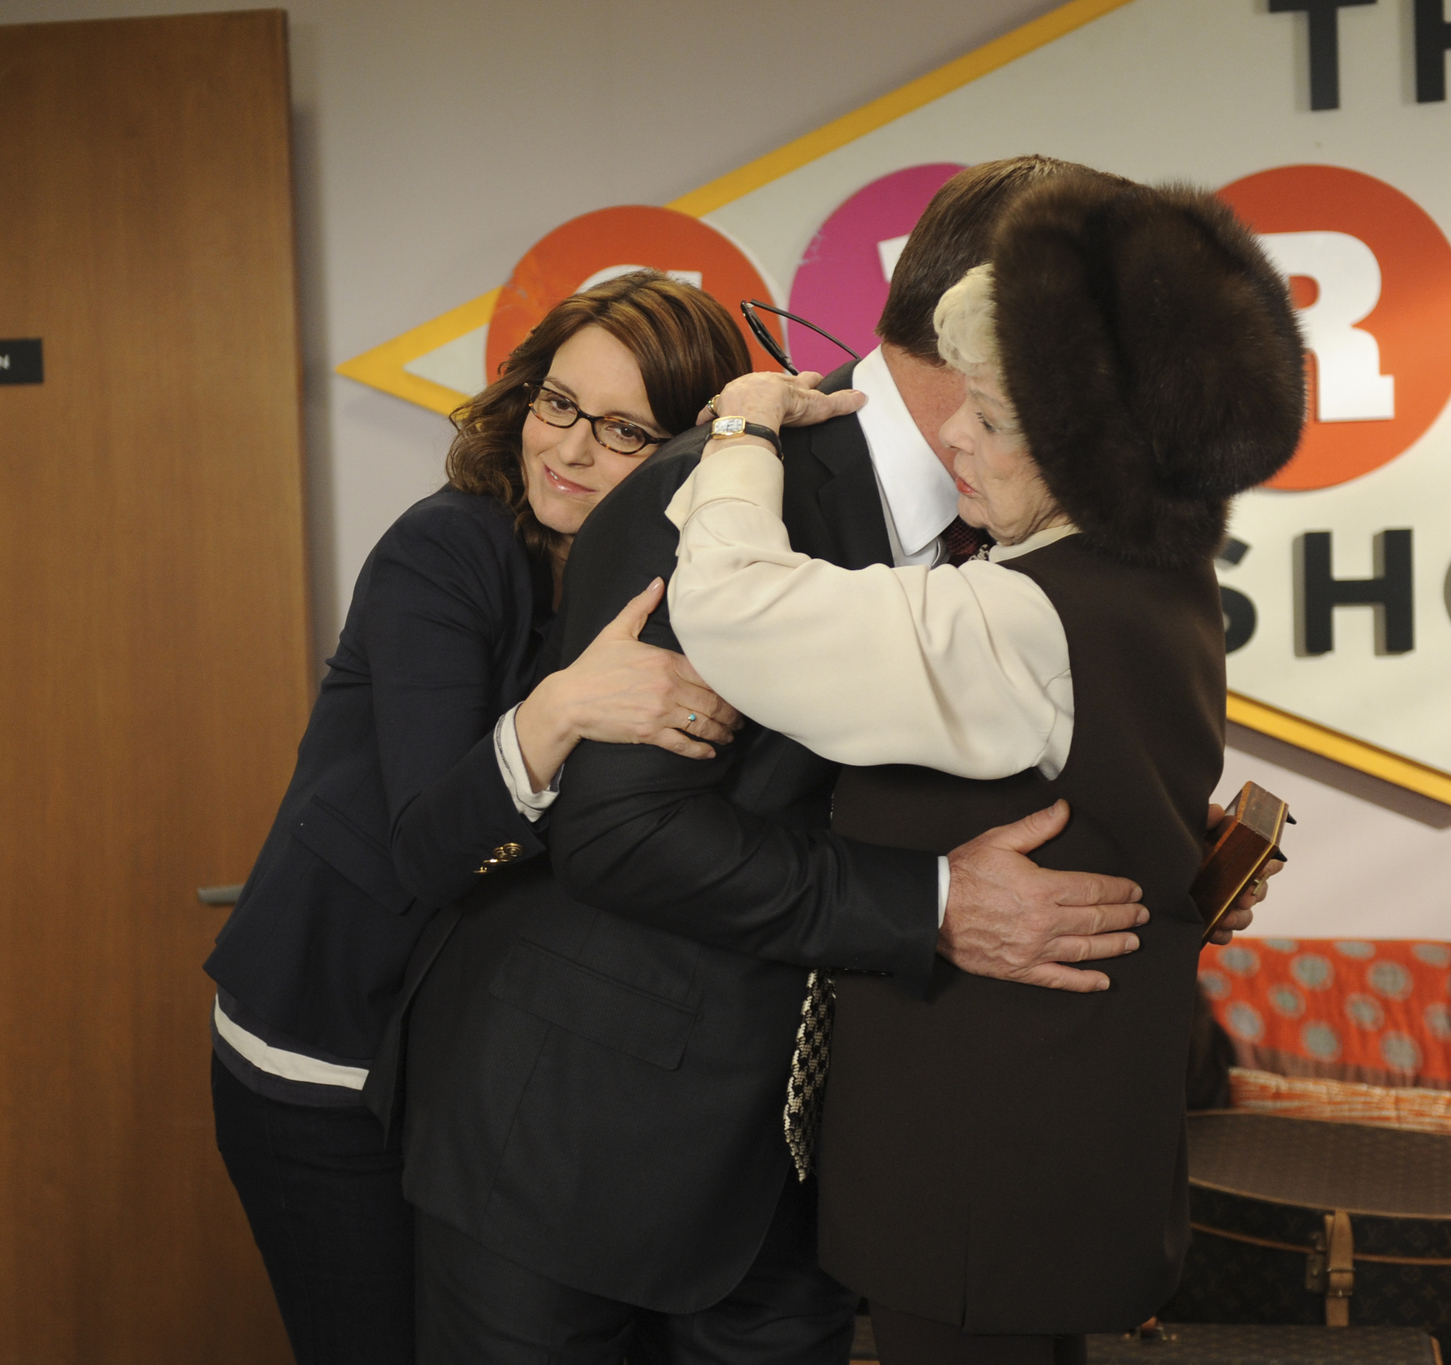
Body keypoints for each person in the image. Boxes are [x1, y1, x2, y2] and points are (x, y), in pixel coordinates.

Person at [390, 158, 1275, 1365]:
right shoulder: (694, 498)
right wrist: (939, 904)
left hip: (826, 1186)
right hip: (588, 1152)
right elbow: (619, 834)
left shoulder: (1062, 536)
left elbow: (1024, 717)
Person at [663, 170, 1306, 1360]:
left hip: (979, 1187)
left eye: (996, 421)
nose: (951, 430)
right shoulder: (1153, 582)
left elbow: (732, 605)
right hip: (1056, 1167)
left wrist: (745, 426)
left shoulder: (1016, 621)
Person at [203, 271, 754, 1365]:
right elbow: (425, 844)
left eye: (622, 430)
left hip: (464, 1067)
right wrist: (558, 709)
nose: (570, 449)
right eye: (558, 404)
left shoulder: (665, 586)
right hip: (328, 1058)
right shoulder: (445, 548)